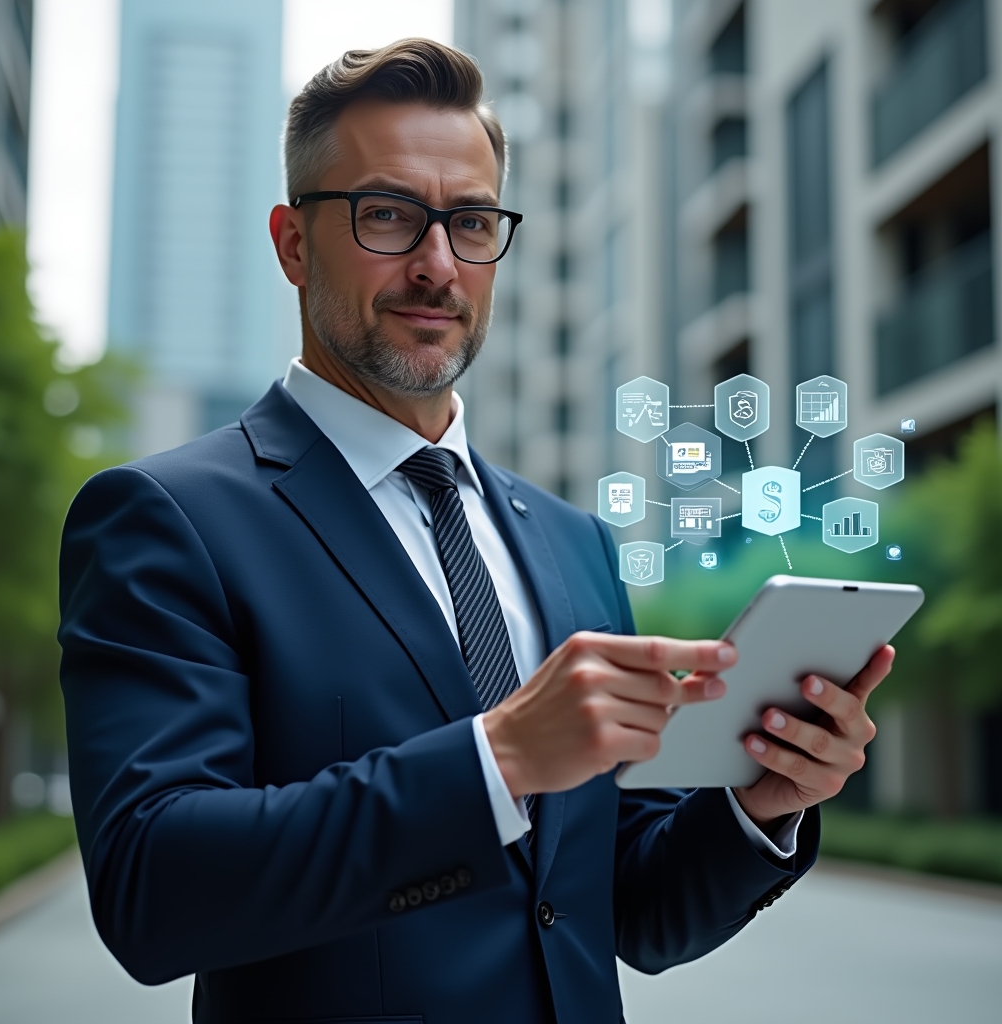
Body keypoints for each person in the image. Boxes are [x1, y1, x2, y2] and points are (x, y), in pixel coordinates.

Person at [59, 39, 889, 1024]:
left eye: (473, 222)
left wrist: (760, 803)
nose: (438, 265)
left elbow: (628, 908)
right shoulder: (169, 518)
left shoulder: (574, 544)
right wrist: (495, 761)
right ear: (292, 243)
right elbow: (153, 886)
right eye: (386, 215)